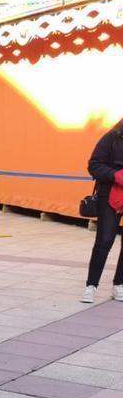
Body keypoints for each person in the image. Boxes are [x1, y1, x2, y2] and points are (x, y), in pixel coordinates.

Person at [83, 117, 123, 303]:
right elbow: (94, 165)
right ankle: (91, 286)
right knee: (104, 240)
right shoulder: (111, 138)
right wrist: (115, 175)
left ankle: (119, 285)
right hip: (110, 195)